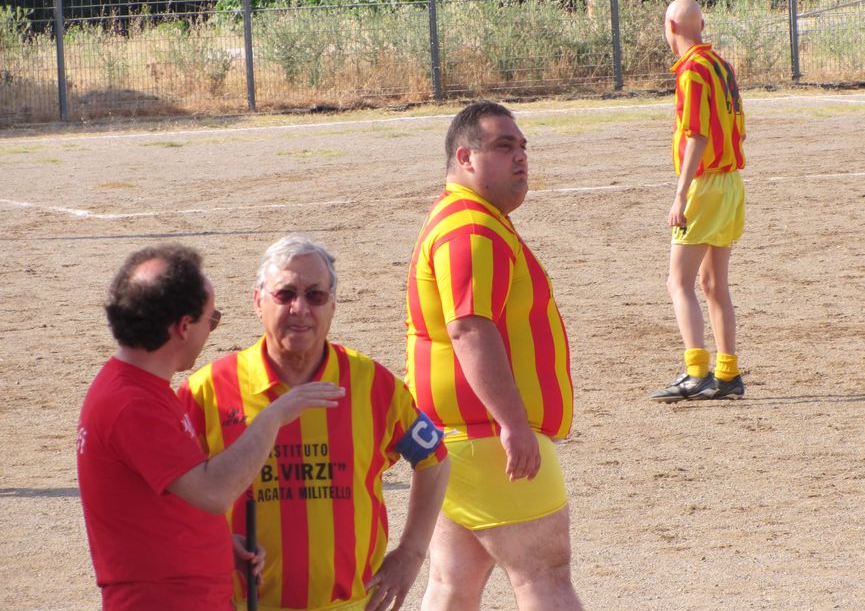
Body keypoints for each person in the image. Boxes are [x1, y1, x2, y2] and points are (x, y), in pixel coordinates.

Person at [179, 234, 449, 611]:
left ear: (333, 305)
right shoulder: (207, 389)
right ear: (258, 302)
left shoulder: (372, 383)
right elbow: (168, 493)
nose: (300, 308)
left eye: (316, 295)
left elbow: (434, 458)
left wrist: (412, 553)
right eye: (285, 294)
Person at [78, 243, 343, 611]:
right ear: (183, 327)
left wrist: (218, 544)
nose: (211, 331)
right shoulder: (134, 404)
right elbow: (213, 491)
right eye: (211, 320)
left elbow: (173, 493)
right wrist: (274, 416)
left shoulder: (142, 389)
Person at [405, 100, 581, 610]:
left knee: (453, 584)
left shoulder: (467, 220)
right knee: (544, 576)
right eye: (504, 147)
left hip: (455, 438)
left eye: (522, 146)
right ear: (465, 158)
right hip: (486, 439)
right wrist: (513, 423)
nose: (520, 156)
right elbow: (469, 329)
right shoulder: (471, 229)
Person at [650, 0, 747, 403]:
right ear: (701, 26)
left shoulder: (691, 71)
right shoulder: (721, 65)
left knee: (679, 282)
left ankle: (696, 372)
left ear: (671, 27)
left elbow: (698, 135)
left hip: (705, 184)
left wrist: (680, 195)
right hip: (730, 183)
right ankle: (728, 373)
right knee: (713, 283)